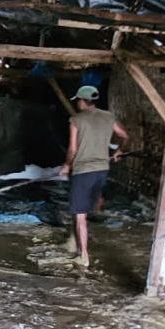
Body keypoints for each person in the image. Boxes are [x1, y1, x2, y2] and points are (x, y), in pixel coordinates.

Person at [59, 85, 129, 268]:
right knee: (88, 206)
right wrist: (119, 151)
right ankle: (76, 239)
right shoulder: (108, 116)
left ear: (82, 101)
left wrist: (66, 166)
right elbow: (124, 135)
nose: (77, 104)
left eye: (78, 101)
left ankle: (83, 255)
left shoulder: (76, 120)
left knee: (79, 214)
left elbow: (72, 149)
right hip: (102, 169)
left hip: (83, 170)